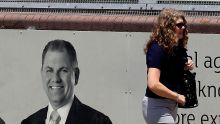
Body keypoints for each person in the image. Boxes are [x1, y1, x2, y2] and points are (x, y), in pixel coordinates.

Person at [21, 39, 112, 124]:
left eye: (63, 70)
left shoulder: (99, 122)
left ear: (76, 75)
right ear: (42, 73)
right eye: (49, 70)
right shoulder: (28, 122)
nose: (55, 78)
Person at [142, 8, 194, 124]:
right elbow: (153, 84)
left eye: (184, 25)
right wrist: (177, 96)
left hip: (171, 104)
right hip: (156, 105)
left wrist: (187, 64)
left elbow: (171, 70)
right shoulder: (157, 49)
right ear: (168, 27)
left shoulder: (176, 49)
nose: (183, 28)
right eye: (179, 25)